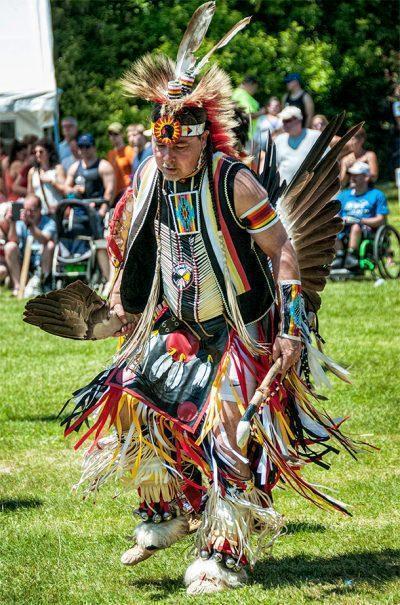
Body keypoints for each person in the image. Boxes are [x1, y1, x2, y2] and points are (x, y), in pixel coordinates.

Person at [26, 7, 364, 597]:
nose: (167, 153)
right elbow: (137, 254)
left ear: (202, 135)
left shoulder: (232, 180)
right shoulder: (151, 180)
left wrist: (291, 327)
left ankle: (224, 550)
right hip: (175, 322)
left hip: (238, 327)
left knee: (229, 430)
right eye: (160, 142)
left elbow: (282, 249)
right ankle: (169, 512)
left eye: (178, 143)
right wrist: (117, 314)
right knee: (134, 401)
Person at [332, 161, 389, 270]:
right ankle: (339, 255)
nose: (352, 178)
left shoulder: (377, 195)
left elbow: (381, 220)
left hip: (366, 229)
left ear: (366, 177)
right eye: (351, 175)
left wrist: (360, 221)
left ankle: (351, 255)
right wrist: (339, 220)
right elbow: (335, 215)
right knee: (332, 228)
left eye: (356, 175)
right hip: (344, 228)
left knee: (356, 227)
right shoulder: (343, 196)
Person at [4, 194, 56, 295]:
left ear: (40, 209)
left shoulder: (49, 222)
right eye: (25, 210)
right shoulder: (20, 221)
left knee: (50, 245)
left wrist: (30, 225)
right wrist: (12, 223)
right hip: (23, 261)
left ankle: (43, 283)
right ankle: (18, 287)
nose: (28, 213)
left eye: (32, 210)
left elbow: (44, 240)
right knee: (10, 246)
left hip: (40, 261)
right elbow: (13, 240)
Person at [65, 133, 115, 216]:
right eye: (81, 146)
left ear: (94, 148)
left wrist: (102, 211)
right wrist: (73, 190)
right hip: (79, 211)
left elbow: (110, 191)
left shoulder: (104, 166)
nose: (84, 149)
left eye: (87, 146)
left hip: (97, 209)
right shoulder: (74, 167)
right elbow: (66, 188)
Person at [274, 105, 320, 186]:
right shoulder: (279, 140)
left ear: (298, 120)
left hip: (308, 189)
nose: (284, 123)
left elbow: (328, 161)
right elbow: (273, 166)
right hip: (283, 190)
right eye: (283, 121)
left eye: (287, 120)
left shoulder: (315, 136)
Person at [27, 138, 65, 214]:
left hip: (57, 211)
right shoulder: (32, 172)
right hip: (40, 214)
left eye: (41, 152)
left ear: (49, 153)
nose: (38, 154)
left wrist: (52, 182)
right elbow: (30, 194)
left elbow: (64, 190)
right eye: (36, 152)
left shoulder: (57, 169)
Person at [106, 122, 134, 202]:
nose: (113, 137)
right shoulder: (110, 154)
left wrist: (130, 185)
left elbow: (136, 170)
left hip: (127, 192)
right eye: (110, 134)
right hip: (114, 193)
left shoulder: (129, 150)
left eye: (116, 134)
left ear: (122, 134)